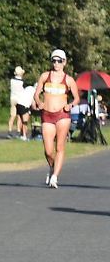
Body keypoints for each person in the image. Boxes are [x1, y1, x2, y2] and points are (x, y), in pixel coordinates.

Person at [33, 49, 80, 188]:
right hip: (47, 115)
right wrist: (39, 102)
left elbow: (77, 98)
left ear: (64, 62)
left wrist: (70, 105)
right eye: (54, 60)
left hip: (62, 115)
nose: (56, 63)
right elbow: (37, 94)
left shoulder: (69, 80)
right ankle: (52, 167)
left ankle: (54, 177)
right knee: (48, 150)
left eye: (59, 61)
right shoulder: (45, 76)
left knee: (60, 147)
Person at [8, 66, 27, 139]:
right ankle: (18, 131)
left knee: (12, 115)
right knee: (19, 116)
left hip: (12, 99)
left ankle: (9, 131)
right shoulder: (22, 82)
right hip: (19, 100)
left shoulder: (12, 80)